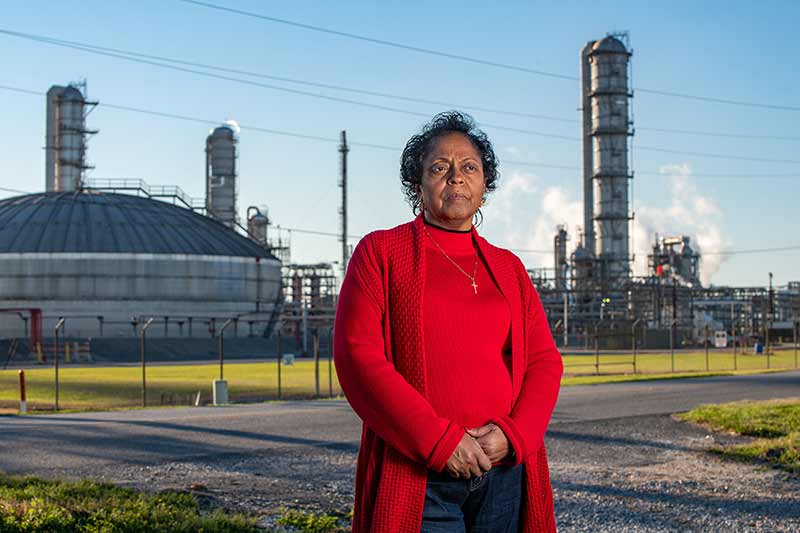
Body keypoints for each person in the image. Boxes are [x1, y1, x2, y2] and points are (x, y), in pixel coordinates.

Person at [334, 111, 563, 532]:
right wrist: (440, 443)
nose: (456, 177)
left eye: (469, 167)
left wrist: (514, 437)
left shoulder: (508, 267)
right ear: (418, 185)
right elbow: (358, 357)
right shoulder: (381, 253)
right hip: (420, 477)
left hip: (504, 472)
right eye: (440, 167)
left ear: (484, 184)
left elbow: (544, 362)